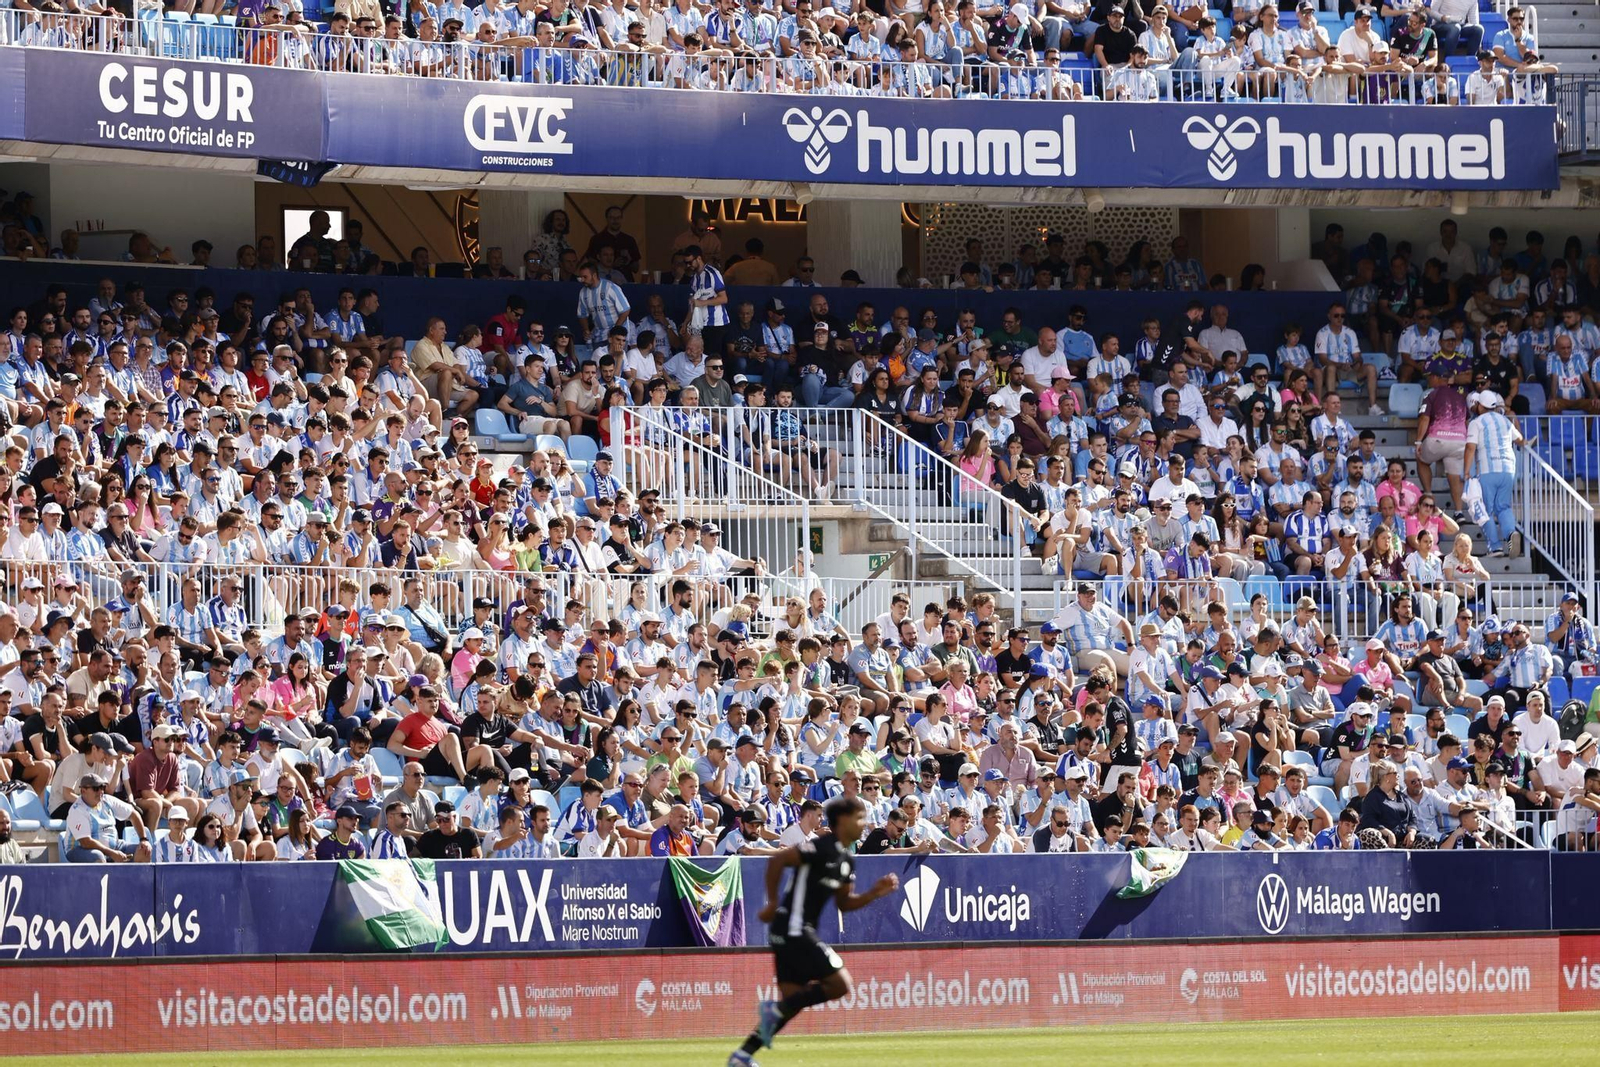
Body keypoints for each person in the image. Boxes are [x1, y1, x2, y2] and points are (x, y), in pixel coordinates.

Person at [730, 795, 900, 1067]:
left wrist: (874, 893)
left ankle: (742, 1056)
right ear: (843, 821)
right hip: (792, 927)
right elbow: (778, 862)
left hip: (792, 931)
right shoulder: (821, 847)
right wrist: (773, 902)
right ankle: (770, 1014)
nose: (864, 823)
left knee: (792, 1003)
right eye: (860, 817)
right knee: (840, 984)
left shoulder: (846, 859)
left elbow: (844, 903)